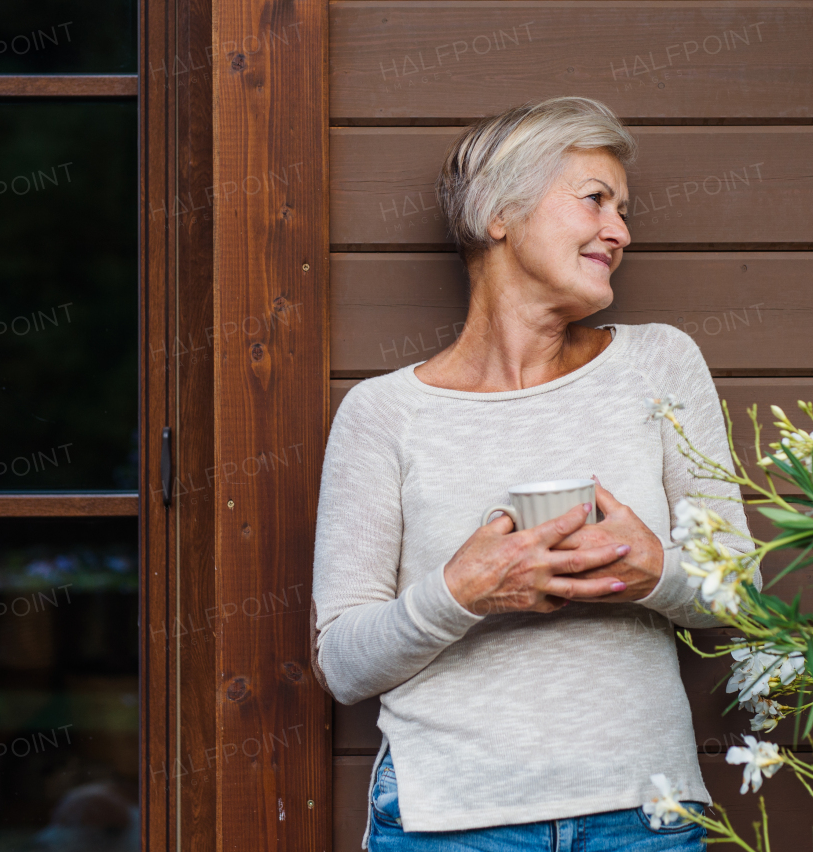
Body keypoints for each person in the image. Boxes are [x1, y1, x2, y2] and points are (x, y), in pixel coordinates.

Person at [311, 96, 759, 851]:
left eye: (625, 210)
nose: (620, 231)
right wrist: (461, 593)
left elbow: (741, 591)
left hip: (645, 817)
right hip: (449, 822)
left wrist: (654, 571)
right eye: (595, 200)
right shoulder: (383, 413)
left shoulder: (659, 363)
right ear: (500, 214)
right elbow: (343, 664)